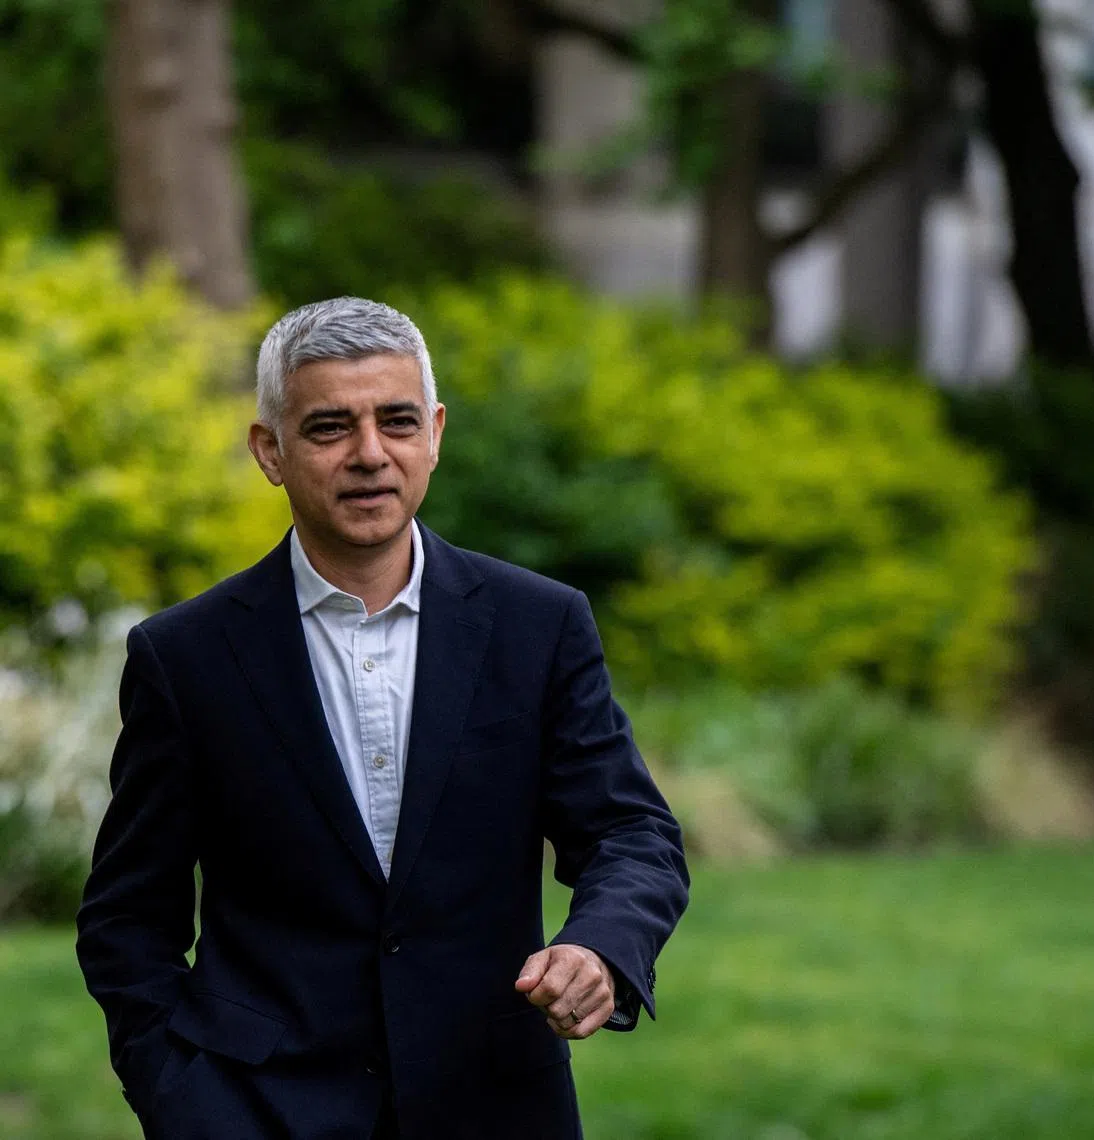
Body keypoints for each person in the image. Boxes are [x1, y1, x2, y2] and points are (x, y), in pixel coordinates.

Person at [76, 297, 689, 1140]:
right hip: (259, 1111)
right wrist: (184, 1100)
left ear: (433, 433)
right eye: (330, 427)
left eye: (396, 421)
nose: (370, 454)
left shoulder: (537, 626)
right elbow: (127, 920)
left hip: (497, 1105)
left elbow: (630, 832)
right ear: (270, 451)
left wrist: (602, 949)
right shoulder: (185, 657)